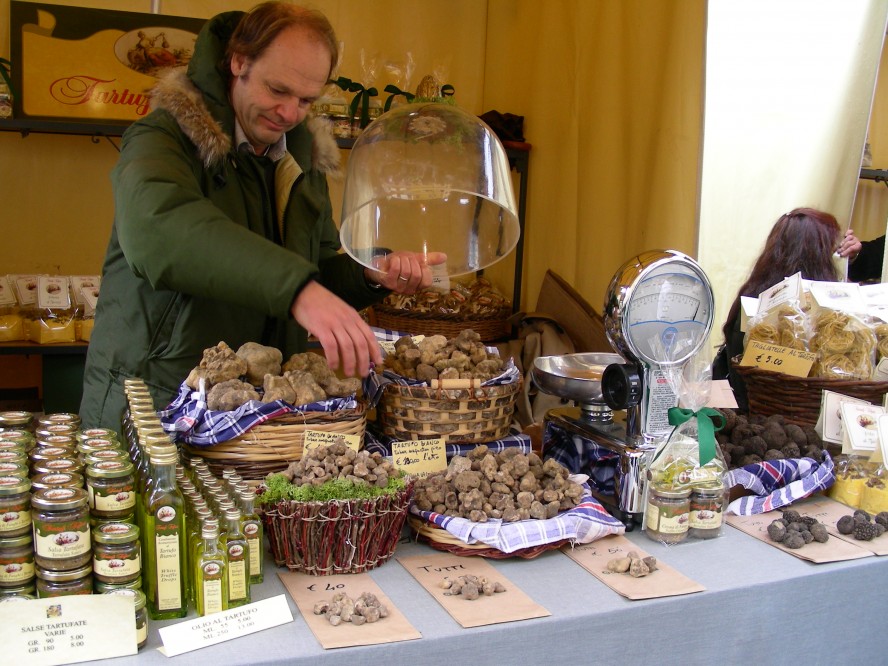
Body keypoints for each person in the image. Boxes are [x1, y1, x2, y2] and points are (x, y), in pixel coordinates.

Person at [80, 2, 443, 430]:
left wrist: (368, 274)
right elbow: (159, 229)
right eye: (277, 90)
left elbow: (318, 268)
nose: (289, 113)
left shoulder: (299, 162)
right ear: (239, 62)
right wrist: (298, 291)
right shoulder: (161, 138)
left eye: (306, 100)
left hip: (252, 417)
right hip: (157, 404)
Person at [714, 208, 842, 411]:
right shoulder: (821, 317)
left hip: (748, 417)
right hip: (792, 418)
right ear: (819, 253)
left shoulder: (752, 297)